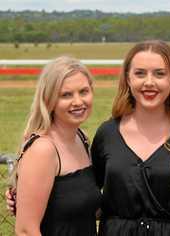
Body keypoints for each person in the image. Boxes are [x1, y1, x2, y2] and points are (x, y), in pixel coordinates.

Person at [91, 40, 170, 235]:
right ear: (128, 78)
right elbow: (85, 195)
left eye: (159, 74)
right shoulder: (107, 134)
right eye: (140, 73)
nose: (149, 82)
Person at [8, 56, 102, 236]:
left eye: (84, 91)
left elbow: (80, 207)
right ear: (49, 100)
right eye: (66, 95)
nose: (78, 101)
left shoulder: (81, 140)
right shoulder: (43, 150)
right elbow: (26, 230)